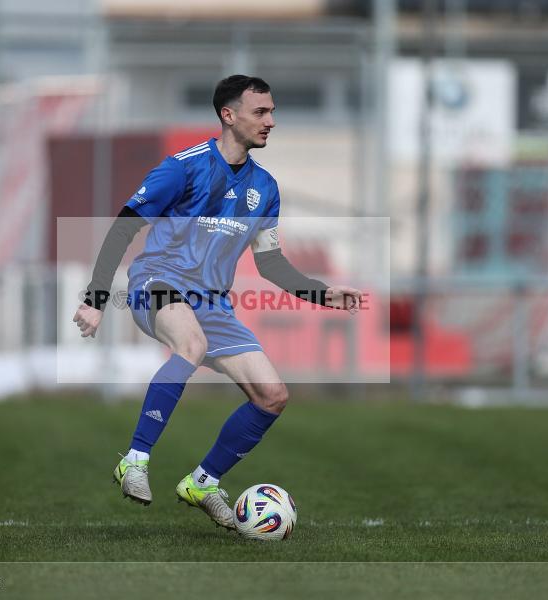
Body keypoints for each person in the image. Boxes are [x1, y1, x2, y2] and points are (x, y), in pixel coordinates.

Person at [72, 75, 361, 529]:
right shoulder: (182, 169)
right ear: (228, 115)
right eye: (260, 112)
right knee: (191, 345)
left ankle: (203, 482)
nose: (271, 121)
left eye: (272, 111)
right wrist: (95, 298)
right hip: (157, 281)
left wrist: (321, 293)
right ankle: (135, 460)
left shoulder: (265, 188)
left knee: (272, 396)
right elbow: (124, 226)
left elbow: (270, 263)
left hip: (212, 303)